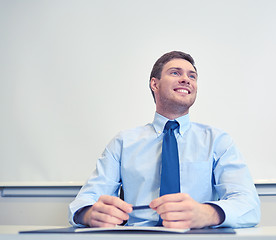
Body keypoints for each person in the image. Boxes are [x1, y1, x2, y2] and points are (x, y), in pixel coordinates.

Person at [69, 51, 260, 229]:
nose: (186, 79)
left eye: (192, 76)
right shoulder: (123, 143)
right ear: (155, 84)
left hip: (198, 236)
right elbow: (84, 201)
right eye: (175, 73)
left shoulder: (218, 141)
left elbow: (249, 205)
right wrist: (88, 214)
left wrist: (209, 214)